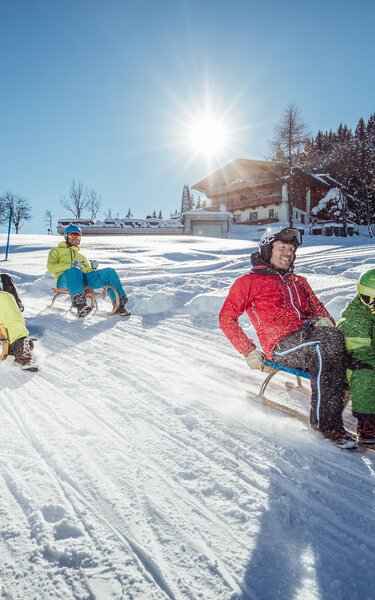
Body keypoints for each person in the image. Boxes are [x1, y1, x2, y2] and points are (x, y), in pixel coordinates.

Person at [219, 227, 357, 450]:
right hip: (282, 345)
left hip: (311, 339)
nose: (288, 253)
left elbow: (321, 311)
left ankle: (365, 411)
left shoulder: (298, 281)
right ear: (266, 249)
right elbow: (226, 318)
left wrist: (323, 320)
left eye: (291, 249)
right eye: (282, 247)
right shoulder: (248, 282)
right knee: (326, 343)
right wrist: (249, 351)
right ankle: (327, 424)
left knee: (350, 344)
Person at [47, 224, 131, 318]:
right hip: (64, 280)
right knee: (74, 271)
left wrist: (93, 268)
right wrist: (71, 265)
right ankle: (80, 306)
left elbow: (88, 272)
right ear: (66, 237)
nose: (75, 238)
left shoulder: (81, 257)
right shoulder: (56, 251)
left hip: (82, 280)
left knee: (109, 272)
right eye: (72, 236)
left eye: (78, 236)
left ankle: (119, 305)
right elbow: (51, 267)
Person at [337, 268, 375, 444]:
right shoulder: (355, 318)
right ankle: (367, 423)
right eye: (369, 299)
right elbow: (362, 354)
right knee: (366, 372)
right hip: (351, 365)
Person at [0, 274, 38, 372]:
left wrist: (16, 303)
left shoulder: (4, 279)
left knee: (5, 296)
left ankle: (20, 347)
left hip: (5, 321)